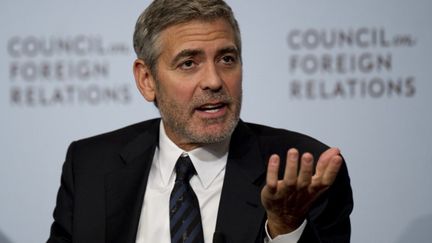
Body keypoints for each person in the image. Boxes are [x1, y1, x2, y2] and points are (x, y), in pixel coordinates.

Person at [47, 0, 353, 242]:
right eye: (189, 63)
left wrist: (285, 226)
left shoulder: (303, 173)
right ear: (146, 79)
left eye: (227, 59)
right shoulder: (90, 165)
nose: (214, 80)